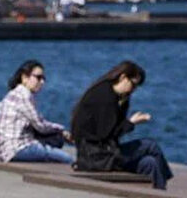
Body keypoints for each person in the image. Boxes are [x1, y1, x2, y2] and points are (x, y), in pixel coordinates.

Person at [71, 60, 173, 190]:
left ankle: (160, 193)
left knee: (150, 163)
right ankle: (165, 181)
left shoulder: (116, 96)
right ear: (123, 77)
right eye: (133, 84)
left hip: (101, 155)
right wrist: (131, 122)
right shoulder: (105, 97)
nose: (134, 90)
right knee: (150, 145)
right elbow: (107, 134)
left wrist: (123, 105)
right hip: (97, 157)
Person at [0, 60, 74, 163]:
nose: (42, 82)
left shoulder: (14, 93)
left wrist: (60, 134)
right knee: (68, 159)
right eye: (38, 77)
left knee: (58, 138)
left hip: (5, 150)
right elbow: (40, 126)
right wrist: (62, 130)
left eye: (43, 78)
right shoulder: (24, 96)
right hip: (17, 149)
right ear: (24, 78)